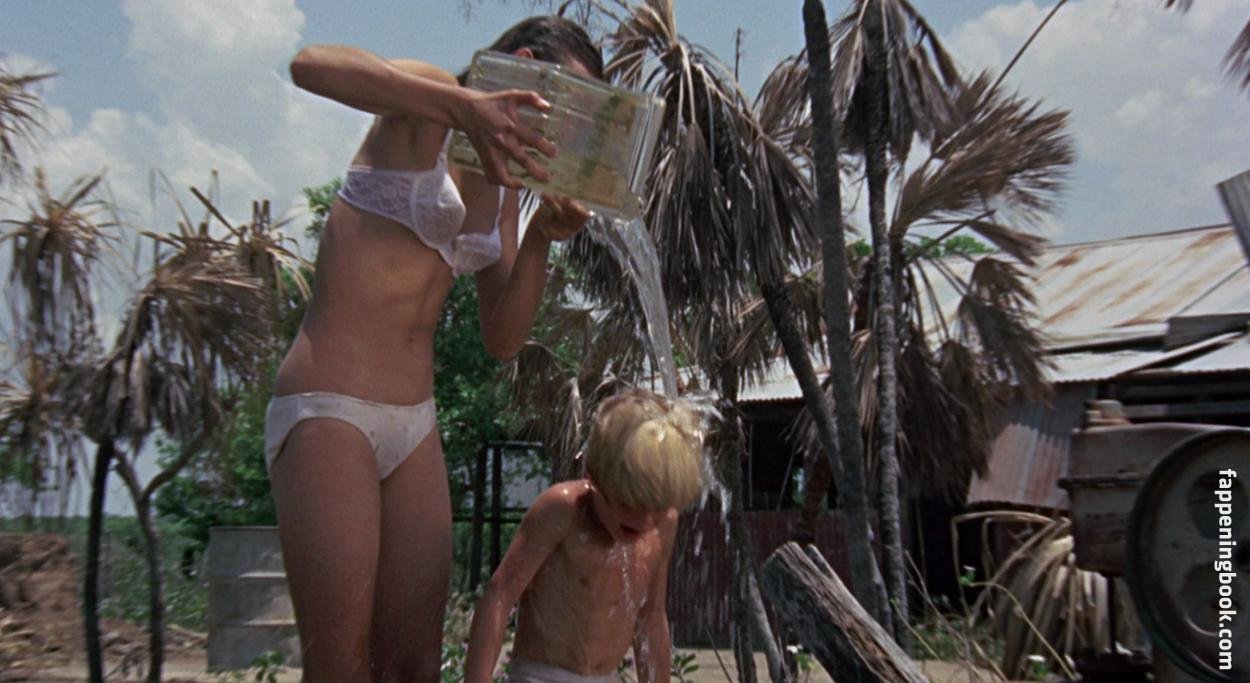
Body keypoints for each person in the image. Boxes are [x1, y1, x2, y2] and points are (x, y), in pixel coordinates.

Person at [264, 16, 604, 682]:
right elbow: (311, 65)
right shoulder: (426, 99)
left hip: (414, 424)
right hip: (328, 406)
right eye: (569, 102)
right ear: (526, 65)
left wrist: (540, 236)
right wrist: (463, 105)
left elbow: (501, 338)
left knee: (415, 665)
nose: (568, 127)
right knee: (339, 665)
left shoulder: (505, 177)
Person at [463, 388, 704, 683]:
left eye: (656, 508)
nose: (643, 521)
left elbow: (650, 618)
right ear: (595, 477)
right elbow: (499, 595)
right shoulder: (563, 510)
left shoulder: (663, 524)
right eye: (628, 504)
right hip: (542, 676)